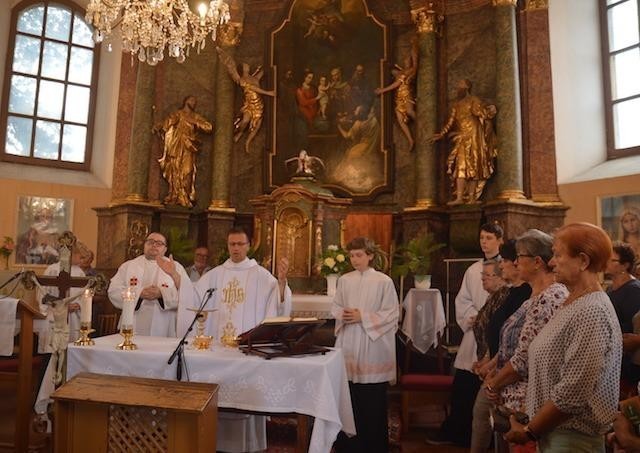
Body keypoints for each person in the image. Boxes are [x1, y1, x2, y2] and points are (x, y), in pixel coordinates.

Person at [162, 227, 291, 453]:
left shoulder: (260, 274)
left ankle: (247, 446)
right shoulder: (216, 274)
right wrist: (175, 276)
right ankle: (216, 444)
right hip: (219, 349)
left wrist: (281, 282)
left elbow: (278, 304)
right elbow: (194, 297)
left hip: (245, 351)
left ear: (248, 246)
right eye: (232, 244)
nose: (236, 248)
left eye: (240, 244)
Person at [505, 223, 622, 452]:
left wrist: (530, 431)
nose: (551, 262)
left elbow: (573, 392)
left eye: (558, 254)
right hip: (556, 435)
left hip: (571, 440)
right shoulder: (574, 302)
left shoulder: (591, 310)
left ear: (583, 261)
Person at [484, 230, 568, 452]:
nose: (515, 261)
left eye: (520, 256)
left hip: (529, 405)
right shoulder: (534, 296)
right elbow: (512, 346)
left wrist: (494, 383)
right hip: (514, 401)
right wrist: (494, 370)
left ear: (537, 262)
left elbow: (525, 359)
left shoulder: (549, 297)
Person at [427, 222, 503, 447]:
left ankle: (490, 440)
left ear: (500, 240)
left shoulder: (507, 267)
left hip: (495, 337)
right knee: (463, 388)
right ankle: (459, 432)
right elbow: (463, 300)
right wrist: (473, 316)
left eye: (489, 238)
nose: (484, 242)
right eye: (482, 238)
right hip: (474, 335)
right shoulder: (473, 270)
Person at [332, 237, 399, 453]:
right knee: (349, 397)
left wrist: (364, 317)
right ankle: (348, 445)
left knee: (371, 400)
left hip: (372, 347)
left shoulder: (383, 281)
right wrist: (343, 314)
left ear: (370, 255)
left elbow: (391, 313)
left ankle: (373, 446)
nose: (355, 259)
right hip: (349, 343)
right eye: (351, 255)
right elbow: (336, 307)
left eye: (359, 255)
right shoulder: (344, 280)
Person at [470, 240, 533, 453]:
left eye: (505, 260)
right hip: (499, 369)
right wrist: (488, 362)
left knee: (497, 424)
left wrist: (494, 375)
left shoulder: (527, 294)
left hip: (511, 375)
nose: (501, 265)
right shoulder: (510, 293)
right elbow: (502, 333)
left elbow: (519, 343)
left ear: (517, 263)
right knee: (488, 421)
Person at [431, 79, 497, 205]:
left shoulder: (474, 100)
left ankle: (472, 198)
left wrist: (490, 110)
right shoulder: (456, 105)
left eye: (460, 84)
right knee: (460, 167)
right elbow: (450, 122)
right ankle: (459, 197)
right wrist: (442, 134)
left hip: (474, 138)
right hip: (462, 138)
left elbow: (482, 114)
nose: (458, 87)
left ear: (467, 87)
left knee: (474, 167)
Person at [107, 232, 185, 337]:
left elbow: (186, 294)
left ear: (165, 249)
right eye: (150, 242)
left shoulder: (175, 267)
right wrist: (139, 293)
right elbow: (113, 291)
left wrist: (162, 294)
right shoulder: (128, 266)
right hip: (133, 321)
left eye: (159, 243)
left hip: (164, 324)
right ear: (144, 245)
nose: (154, 245)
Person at [154, 95, 213, 207]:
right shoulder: (178, 114)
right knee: (175, 169)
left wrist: (195, 122)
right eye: (192, 100)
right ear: (185, 101)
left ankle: (185, 196)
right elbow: (168, 122)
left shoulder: (195, 116)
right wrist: (160, 126)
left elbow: (209, 127)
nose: (193, 102)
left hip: (189, 147)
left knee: (188, 171)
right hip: (177, 146)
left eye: (195, 101)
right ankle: (175, 195)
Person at [217, 47, 276, 153]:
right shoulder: (242, 80)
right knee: (245, 120)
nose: (247, 67)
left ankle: (247, 142)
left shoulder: (254, 78)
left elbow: (263, 72)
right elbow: (254, 88)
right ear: (242, 70)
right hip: (249, 105)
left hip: (258, 104)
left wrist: (270, 60)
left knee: (256, 125)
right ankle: (239, 133)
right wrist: (268, 93)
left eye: (247, 66)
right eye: (245, 66)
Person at [606, 241, 640, 387]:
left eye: (612, 260)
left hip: (628, 357)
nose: (606, 262)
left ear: (625, 265)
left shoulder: (633, 289)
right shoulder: (609, 288)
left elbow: (632, 326)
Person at [375, 53, 417, 151]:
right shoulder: (400, 71)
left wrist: (382, 90)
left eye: (409, 59)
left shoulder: (409, 71)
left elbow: (397, 84)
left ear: (410, 62)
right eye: (406, 59)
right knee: (400, 120)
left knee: (410, 112)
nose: (406, 61)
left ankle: (422, 125)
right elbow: (391, 72)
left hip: (407, 95)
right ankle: (411, 140)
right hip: (398, 98)